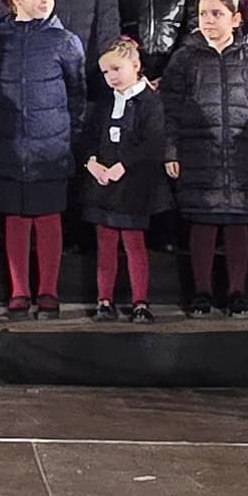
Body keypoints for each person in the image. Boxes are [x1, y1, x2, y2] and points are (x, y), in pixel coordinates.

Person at [0, 0, 89, 320]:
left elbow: (78, 97)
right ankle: (19, 291)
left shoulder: (66, 41)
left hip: (51, 148)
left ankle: (48, 291)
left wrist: (67, 138)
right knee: (15, 219)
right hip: (10, 144)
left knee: (48, 220)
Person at [165, 0, 248, 316]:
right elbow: (169, 107)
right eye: (203, 14)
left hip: (243, 153)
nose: (208, 21)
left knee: (238, 221)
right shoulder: (184, 58)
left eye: (217, 14)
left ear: (235, 18)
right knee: (204, 219)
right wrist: (171, 150)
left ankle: (237, 292)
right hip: (199, 151)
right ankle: (202, 292)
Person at [75, 35, 171, 321]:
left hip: (133, 188)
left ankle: (140, 302)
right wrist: (91, 163)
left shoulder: (149, 102)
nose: (111, 77)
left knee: (134, 245)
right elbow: (88, 137)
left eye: (116, 69)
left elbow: (152, 141)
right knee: (105, 245)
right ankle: (104, 300)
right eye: (106, 72)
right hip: (103, 187)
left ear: (135, 64)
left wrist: (123, 165)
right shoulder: (105, 103)